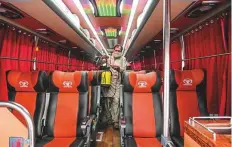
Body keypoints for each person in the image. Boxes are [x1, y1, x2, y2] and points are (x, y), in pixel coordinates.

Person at [99, 44, 126, 129]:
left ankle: (115, 121)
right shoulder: (108, 58)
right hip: (107, 82)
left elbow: (124, 69)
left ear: (121, 51)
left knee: (116, 101)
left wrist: (119, 68)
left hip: (117, 83)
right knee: (107, 101)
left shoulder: (123, 59)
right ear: (113, 50)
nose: (117, 52)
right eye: (116, 50)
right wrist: (101, 59)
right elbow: (100, 65)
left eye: (119, 51)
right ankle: (109, 118)